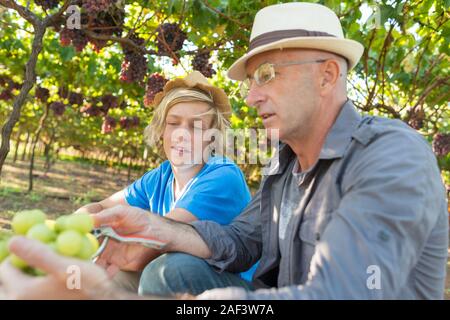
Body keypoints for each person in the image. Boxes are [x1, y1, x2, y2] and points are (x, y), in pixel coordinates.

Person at [0, 2, 448, 300]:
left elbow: (346, 292)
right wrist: (153, 227)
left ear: (328, 75)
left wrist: (226, 304)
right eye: (250, 80)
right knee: (168, 275)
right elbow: (238, 242)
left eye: (267, 74)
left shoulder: (391, 154)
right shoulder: (284, 166)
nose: (251, 97)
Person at [65, 72, 255, 292]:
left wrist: (87, 239)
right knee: (100, 279)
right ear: (162, 130)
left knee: (164, 270)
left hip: (229, 288)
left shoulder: (223, 176)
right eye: (173, 123)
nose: (181, 134)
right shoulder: (160, 176)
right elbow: (102, 207)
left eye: (196, 127)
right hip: (175, 275)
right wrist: (73, 225)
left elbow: (151, 243)